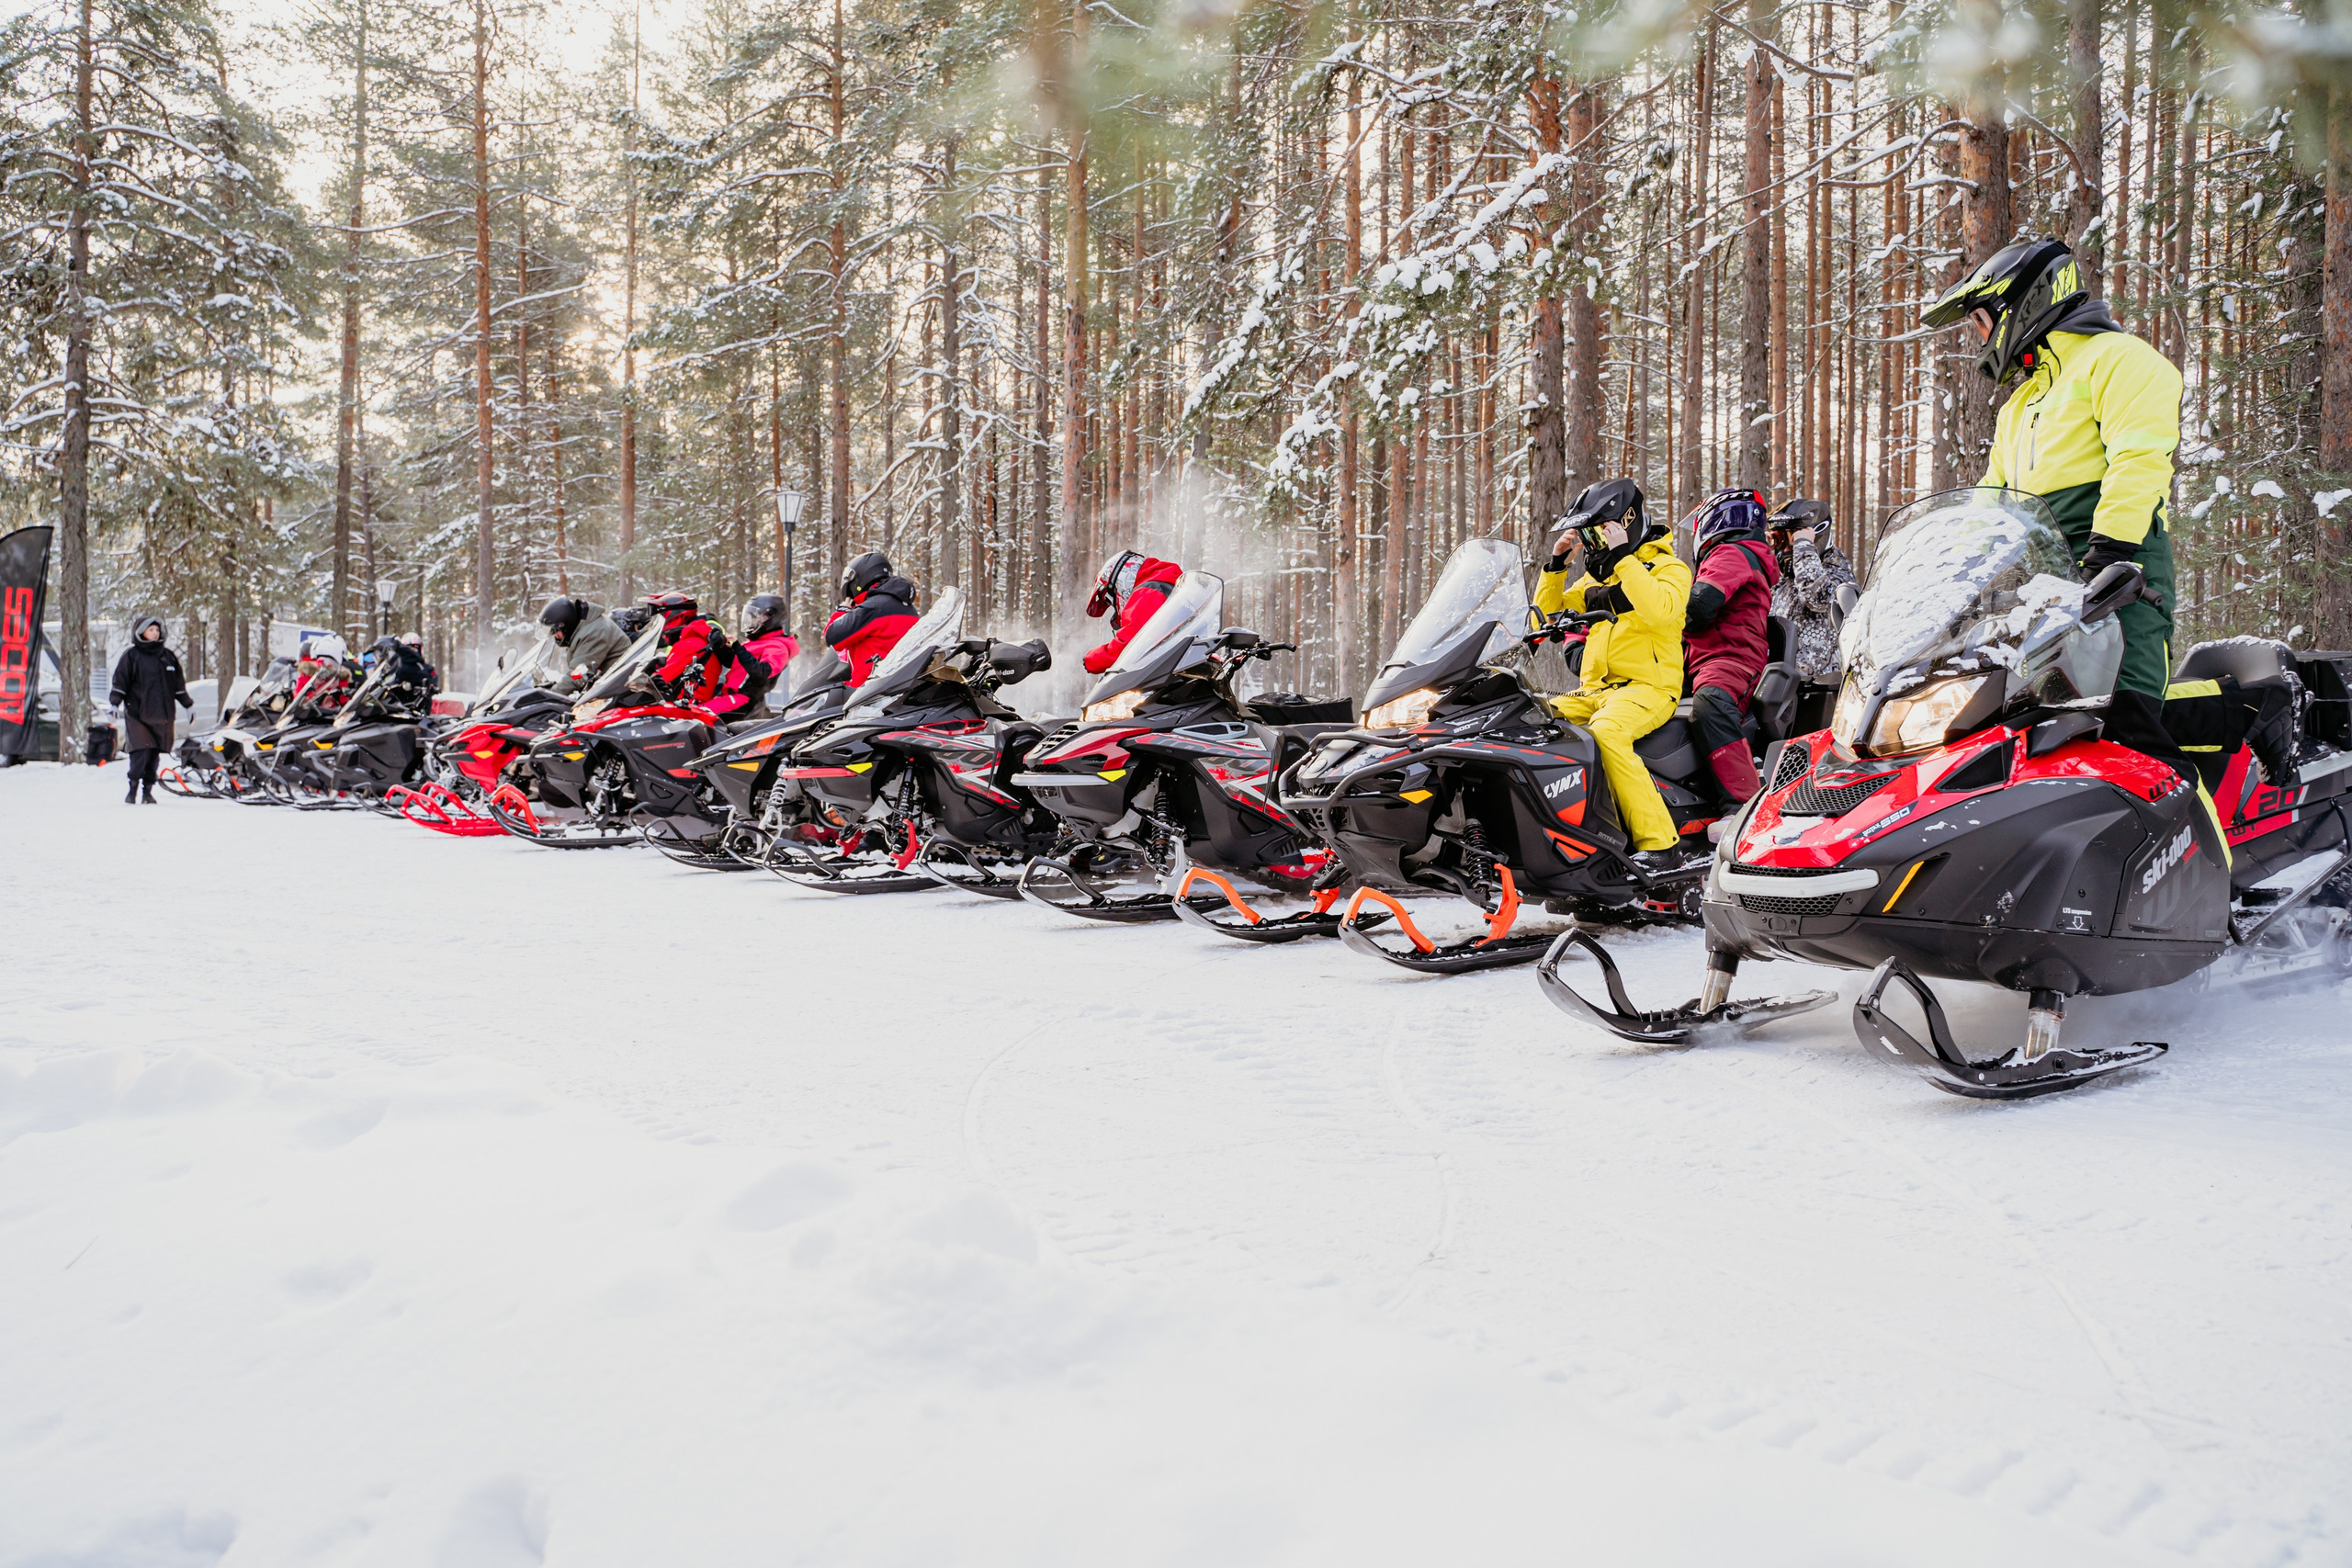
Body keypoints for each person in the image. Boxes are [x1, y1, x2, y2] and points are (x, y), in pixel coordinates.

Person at [1925, 237, 2193, 763]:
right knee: (2030, 742)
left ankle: (2195, 813)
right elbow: (1990, 502)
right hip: (2042, 596)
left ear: (2019, 303)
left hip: (2121, 578)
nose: (1982, 337)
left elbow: (2139, 459)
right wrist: (1953, 581)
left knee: (2127, 732)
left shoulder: (2119, 359)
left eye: (1981, 320)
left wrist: (2108, 552)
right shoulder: (2020, 406)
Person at [1534, 478, 1694, 871]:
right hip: (1592, 691)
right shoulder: (1596, 579)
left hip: (1648, 688)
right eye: (1587, 536)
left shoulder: (1670, 569)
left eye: (1597, 533)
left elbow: (1660, 611)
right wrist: (1556, 565)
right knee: (1527, 715)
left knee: (1607, 733)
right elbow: (1547, 617)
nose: (1592, 544)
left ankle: (1661, 845)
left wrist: (1624, 557)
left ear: (1624, 524)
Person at [1681, 487, 1781, 807]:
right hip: (1703, 659)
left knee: (1711, 703)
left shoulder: (1731, 553)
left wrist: (1662, 613)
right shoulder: (1734, 555)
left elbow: (1699, 607)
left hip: (1730, 659)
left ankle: (1742, 805)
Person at [1765, 498, 1856, 706]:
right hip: (1781, 687)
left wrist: (1803, 545)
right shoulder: (1784, 580)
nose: (1785, 549)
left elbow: (1818, 599)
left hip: (1819, 694)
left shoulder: (1837, 573)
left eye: (1791, 538)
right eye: (1780, 538)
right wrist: (1763, 548)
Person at [108, 615, 191, 804]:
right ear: (141, 632)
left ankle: (148, 791)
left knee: (154, 754)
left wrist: (188, 705)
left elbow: (178, 685)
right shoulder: (131, 656)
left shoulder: (168, 657)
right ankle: (132, 790)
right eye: (151, 630)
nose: (155, 633)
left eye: (157, 630)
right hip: (137, 713)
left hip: (162, 715)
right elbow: (120, 682)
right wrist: (114, 703)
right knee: (140, 751)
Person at [1081, 549, 1183, 674]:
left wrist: (1094, 659)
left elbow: (1132, 644)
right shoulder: (1168, 585)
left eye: (1110, 600)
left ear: (1118, 583)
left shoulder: (1148, 592)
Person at [824, 552, 920, 685]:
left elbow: (832, 637)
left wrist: (842, 612)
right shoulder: (910, 610)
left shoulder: (872, 608)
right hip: (900, 688)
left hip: (869, 691)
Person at [710, 594, 799, 716]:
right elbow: (735, 662)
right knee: (691, 710)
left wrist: (738, 647)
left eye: (757, 617)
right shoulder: (757, 642)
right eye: (751, 617)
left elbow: (762, 673)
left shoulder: (778, 647)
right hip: (730, 696)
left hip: (745, 701)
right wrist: (719, 646)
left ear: (771, 617)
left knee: (698, 716)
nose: (753, 621)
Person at [640, 592, 729, 705]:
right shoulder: (692, 639)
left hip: (686, 707)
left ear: (676, 616)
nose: (660, 624)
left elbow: (663, 677)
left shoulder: (691, 643)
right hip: (681, 703)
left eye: (662, 618)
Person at [538, 595, 632, 694]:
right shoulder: (582, 628)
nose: (555, 636)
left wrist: (551, 693)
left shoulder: (593, 632)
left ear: (566, 625)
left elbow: (578, 675)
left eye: (555, 631)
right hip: (609, 685)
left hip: (620, 688)